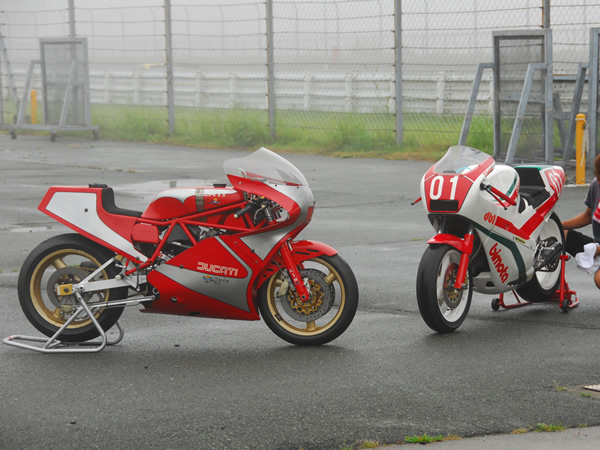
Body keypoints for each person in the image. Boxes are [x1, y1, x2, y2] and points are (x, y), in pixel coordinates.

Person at [562, 153, 600, 288]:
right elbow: (588, 216)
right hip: (596, 246)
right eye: (598, 177)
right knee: (558, 234)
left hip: (598, 249)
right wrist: (559, 226)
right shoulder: (596, 184)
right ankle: (546, 287)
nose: (599, 181)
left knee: (599, 279)